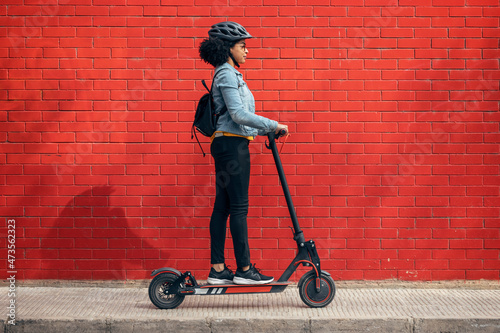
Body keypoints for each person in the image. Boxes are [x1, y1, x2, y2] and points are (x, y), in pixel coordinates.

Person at [198, 22, 288, 285]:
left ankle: (218, 270)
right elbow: (237, 114)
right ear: (228, 48)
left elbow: (236, 119)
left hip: (228, 143)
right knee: (238, 207)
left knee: (223, 207)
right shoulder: (227, 74)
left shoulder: (228, 74)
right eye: (242, 46)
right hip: (232, 148)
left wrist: (265, 132)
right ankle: (245, 270)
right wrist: (273, 124)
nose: (247, 51)